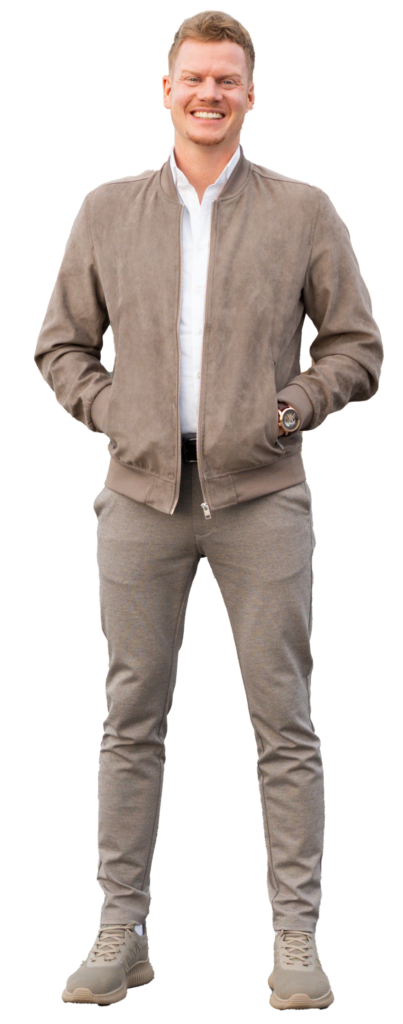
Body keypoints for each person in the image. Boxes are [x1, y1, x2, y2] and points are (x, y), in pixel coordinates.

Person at [33, 4, 384, 1010]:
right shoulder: (107, 210)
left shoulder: (302, 210)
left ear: (251, 95)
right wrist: (120, 414)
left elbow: (355, 346)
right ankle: (120, 932)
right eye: (193, 77)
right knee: (129, 720)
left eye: (227, 79)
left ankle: (296, 940)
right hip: (139, 498)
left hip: (263, 497)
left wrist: (290, 408)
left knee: (284, 724)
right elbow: (60, 345)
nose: (209, 93)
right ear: (165, 91)